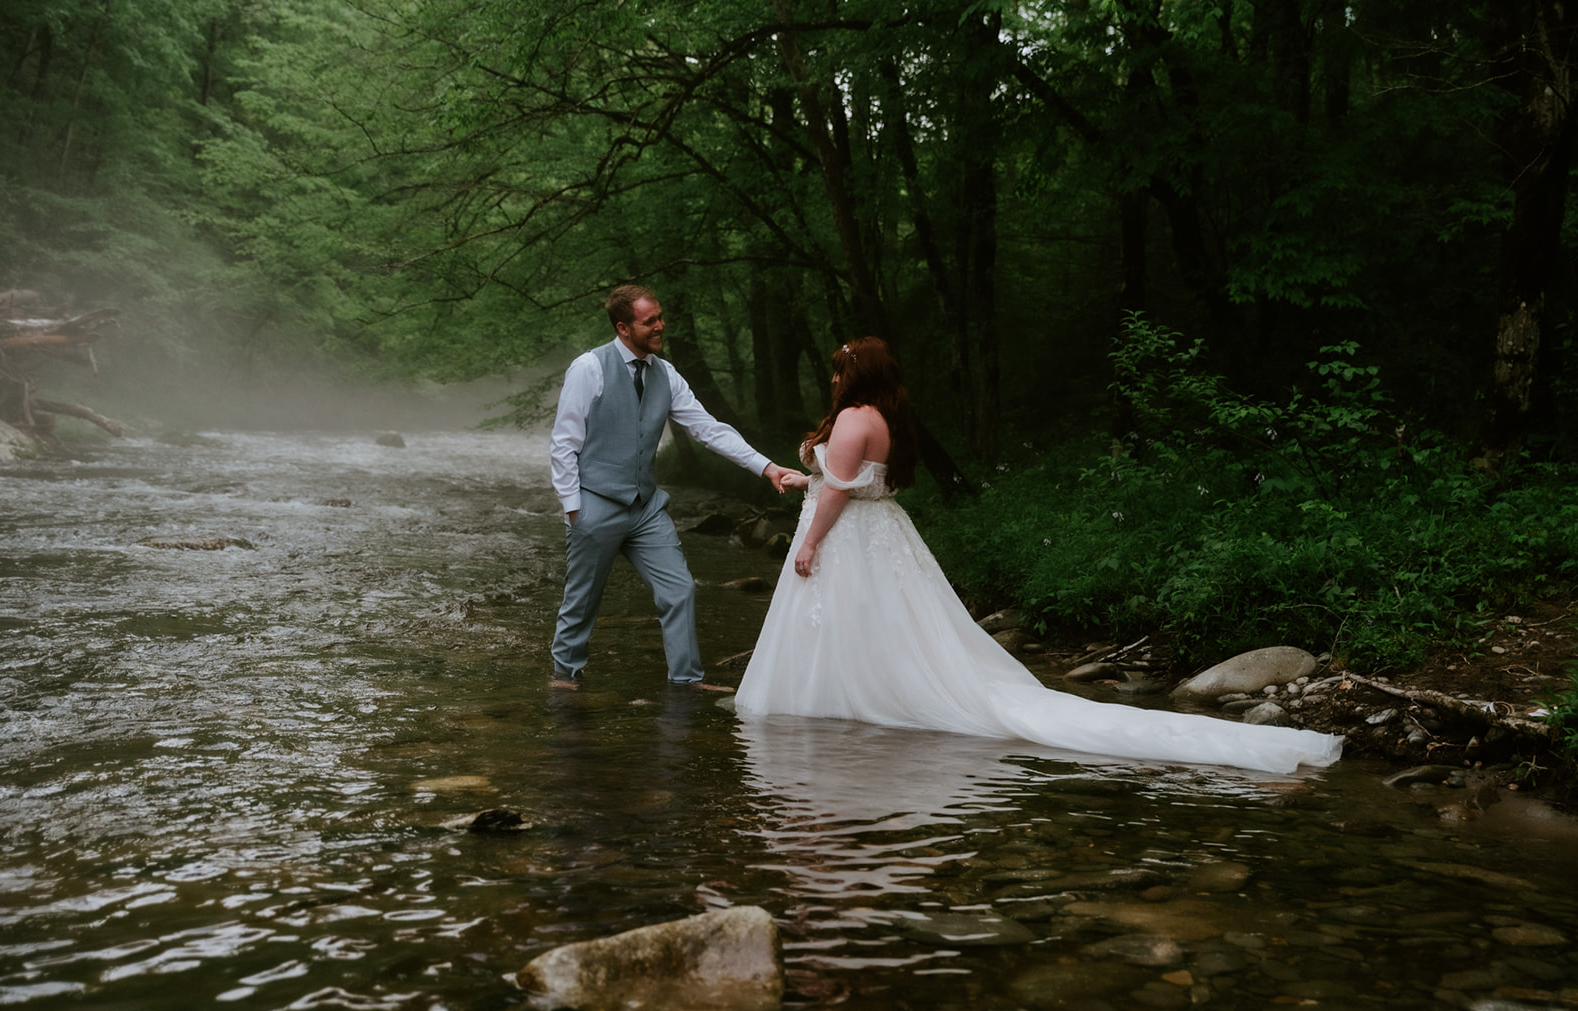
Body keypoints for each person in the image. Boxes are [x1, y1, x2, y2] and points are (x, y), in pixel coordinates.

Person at [733, 337, 1344, 774]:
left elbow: (838, 491)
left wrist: (808, 541)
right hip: (882, 532)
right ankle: (854, 699)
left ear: (855, 374)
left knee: (850, 623)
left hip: (850, 538)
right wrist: (801, 477)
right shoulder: (886, 418)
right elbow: (853, 481)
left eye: (841, 369)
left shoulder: (850, 419)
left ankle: (840, 709)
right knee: (893, 626)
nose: (834, 378)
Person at [550, 285, 801, 688]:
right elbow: (564, 443)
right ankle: (566, 677)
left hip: (646, 508)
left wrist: (765, 467)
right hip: (595, 502)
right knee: (582, 601)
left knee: (680, 590)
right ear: (623, 327)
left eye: (660, 317)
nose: (660, 326)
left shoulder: (665, 374)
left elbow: (707, 429)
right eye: (650, 321)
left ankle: (686, 680)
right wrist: (573, 506)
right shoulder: (588, 368)